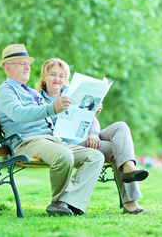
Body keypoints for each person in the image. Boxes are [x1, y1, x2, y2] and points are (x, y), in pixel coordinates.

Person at [0, 44, 105, 216]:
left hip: (52, 140)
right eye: (22, 63)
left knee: (95, 156)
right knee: (64, 155)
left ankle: (66, 203)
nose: (27, 67)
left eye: (28, 64)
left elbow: (53, 117)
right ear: (8, 67)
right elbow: (18, 114)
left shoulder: (32, 92)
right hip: (27, 142)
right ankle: (60, 203)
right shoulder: (5, 90)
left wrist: (87, 112)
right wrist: (52, 108)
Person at [36, 58, 149, 214]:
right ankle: (130, 202)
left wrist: (93, 130)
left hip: (88, 139)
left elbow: (93, 121)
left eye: (61, 76)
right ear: (44, 77)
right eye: (53, 74)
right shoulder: (38, 101)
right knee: (118, 151)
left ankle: (129, 168)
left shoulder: (73, 94)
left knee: (121, 127)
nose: (57, 79)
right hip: (69, 146)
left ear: (66, 80)